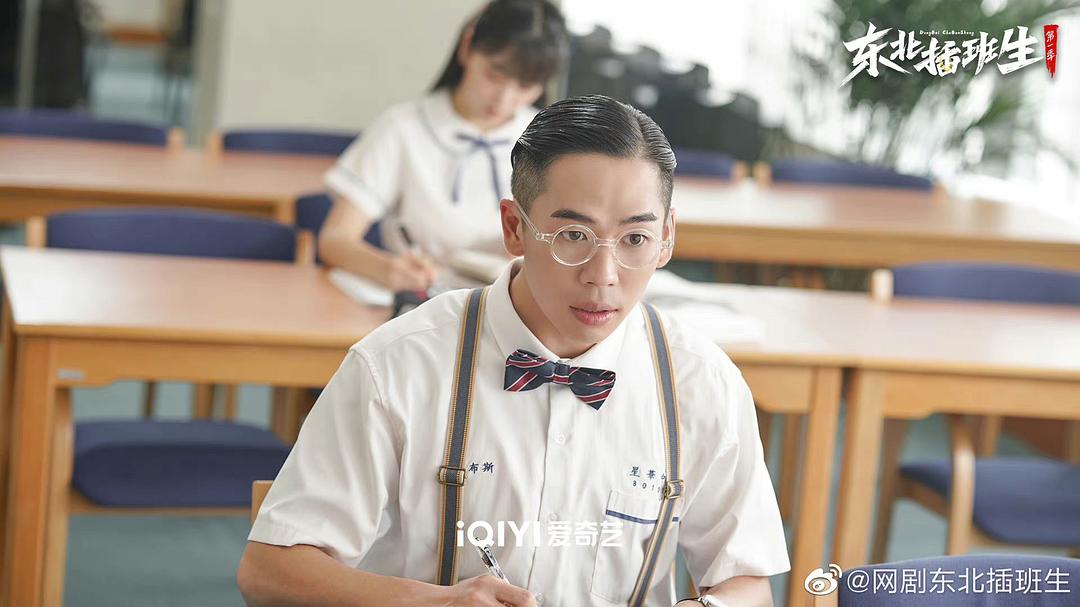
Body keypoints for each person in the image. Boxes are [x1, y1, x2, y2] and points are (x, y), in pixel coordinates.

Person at [238, 95, 789, 607]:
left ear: (666, 237)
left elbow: (746, 580)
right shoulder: (399, 363)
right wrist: (432, 602)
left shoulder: (702, 382)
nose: (603, 275)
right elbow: (269, 569)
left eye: (635, 239)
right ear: (513, 228)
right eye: (573, 236)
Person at [319, 0, 568, 292]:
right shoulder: (403, 127)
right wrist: (388, 269)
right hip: (421, 301)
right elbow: (335, 240)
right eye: (495, 74)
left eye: (525, 86)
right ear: (467, 47)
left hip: (518, 304)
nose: (503, 99)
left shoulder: (551, 140)